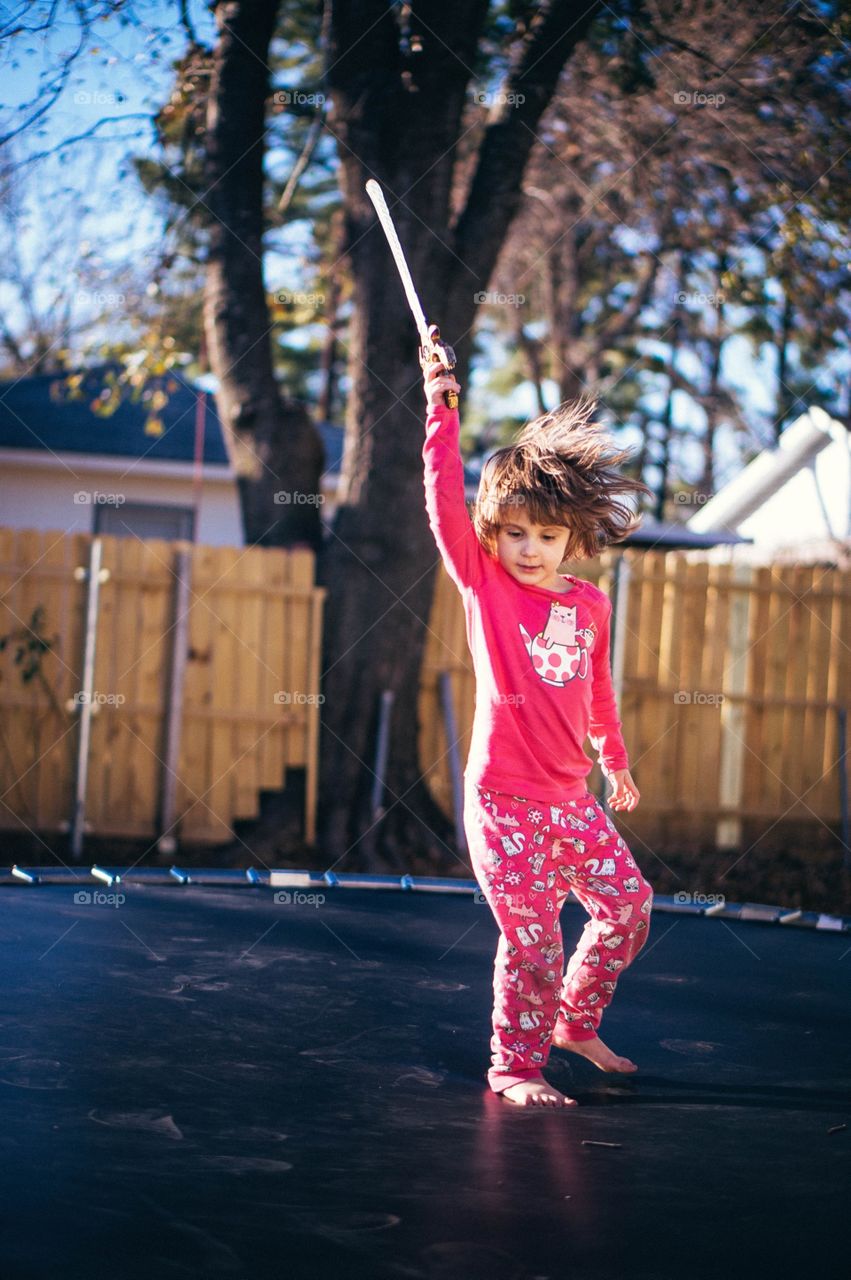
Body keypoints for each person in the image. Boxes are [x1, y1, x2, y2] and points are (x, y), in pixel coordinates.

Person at [422, 361, 655, 1108]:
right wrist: (442, 408)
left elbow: (595, 688)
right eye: (514, 532)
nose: (528, 548)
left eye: (546, 535)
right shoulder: (483, 584)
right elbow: (440, 503)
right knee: (532, 941)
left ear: (572, 538)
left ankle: (573, 1024)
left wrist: (612, 761)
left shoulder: (587, 605)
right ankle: (514, 1066)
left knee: (628, 907)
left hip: (570, 798)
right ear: (492, 533)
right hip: (503, 800)